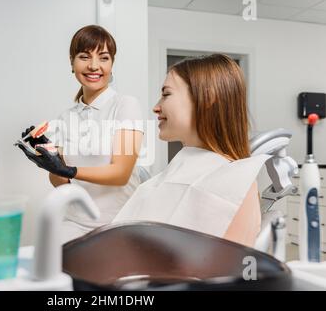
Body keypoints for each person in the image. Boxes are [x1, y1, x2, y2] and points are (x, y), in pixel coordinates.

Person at [113, 54, 269, 247]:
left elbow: (229, 268)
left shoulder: (236, 184)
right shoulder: (179, 170)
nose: (156, 107)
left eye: (166, 94)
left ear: (207, 97)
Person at [19, 25, 144, 243]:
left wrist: (69, 169)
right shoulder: (66, 116)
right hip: (74, 222)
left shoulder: (125, 105)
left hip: (118, 223)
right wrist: (49, 160)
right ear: (72, 62)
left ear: (112, 64)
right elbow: (62, 182)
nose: (94, 66)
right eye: (84, 57)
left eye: (103, 58)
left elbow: (121, 173)